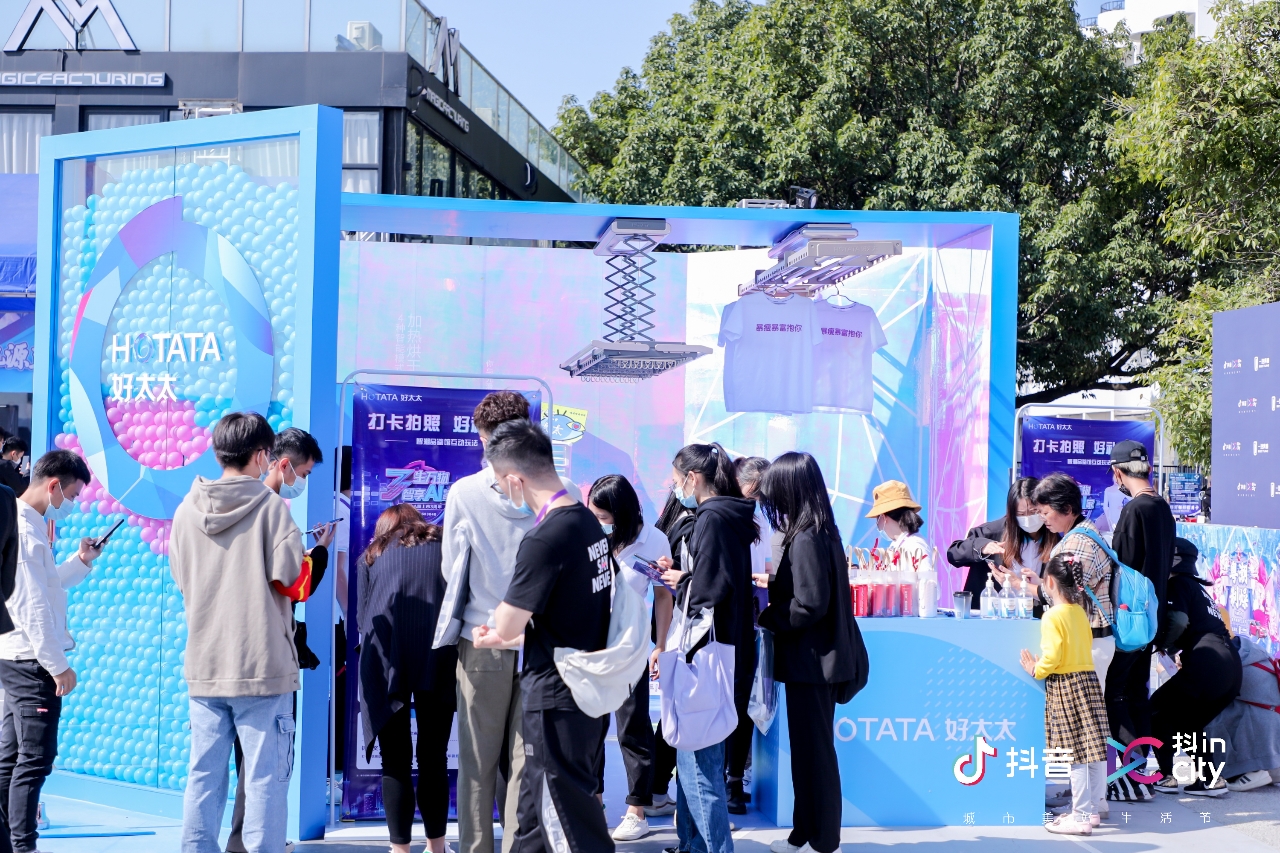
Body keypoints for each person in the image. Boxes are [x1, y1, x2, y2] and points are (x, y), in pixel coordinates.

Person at [170, 412, 326, 853]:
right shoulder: (272, 509)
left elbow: (181, 580)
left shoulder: (185, 511)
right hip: (262, 666)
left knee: (203, 780)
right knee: (264, 783)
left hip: (205, 664)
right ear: (261, 456)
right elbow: (293, 583)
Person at [439, 391, 576, 853]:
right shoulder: (563, 491)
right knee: (527, 763)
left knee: (476, 763)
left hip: (482, 638)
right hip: (541, 642)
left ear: (486, 440)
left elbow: (452, 569)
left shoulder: (464, 492)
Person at [471, 418, 614, 853]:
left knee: (568, 825)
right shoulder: (587, 523)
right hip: (582, 689)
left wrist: (495, 629)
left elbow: (508, 623)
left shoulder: (544, 539)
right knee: (533, 822)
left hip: (555, 698)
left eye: (499, 483)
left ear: (515, 480)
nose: (502, 491)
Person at [226, 427, 333, 853]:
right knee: (266, 764)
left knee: (221, 769)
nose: (301, 482)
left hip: (220, 655)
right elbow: (297, 586)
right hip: (266, 655)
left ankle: (241, 842)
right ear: (279, 463)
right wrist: (319, 552)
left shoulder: (212, 507)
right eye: (303, 473)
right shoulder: (273, 511)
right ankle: (254, 843)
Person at [757, 452, 865, 853]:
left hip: (812, 663)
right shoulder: (822, 531)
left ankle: (822, 839)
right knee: (809, 752)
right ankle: (805, 833)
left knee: (813, 754)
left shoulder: (805, 537)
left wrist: (768, 616)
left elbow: (809, 604)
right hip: (818, 661)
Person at [660, 442, 758, 853]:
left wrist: (681, 580)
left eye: (675, 479)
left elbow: (709, 590)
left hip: (705, 650)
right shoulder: (727, 515)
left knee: (699, 763)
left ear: (692, 478)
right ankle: (692, 845)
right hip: (721, 648)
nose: (673, 487)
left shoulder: (712, 517)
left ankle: (713, 847)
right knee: (692, 756)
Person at [0, 450, 98, 853]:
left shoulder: (27, 523)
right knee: (34, 760)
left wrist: (80, 561)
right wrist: (57, 664)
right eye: (71, 495)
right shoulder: (26, 528)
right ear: (53, 485)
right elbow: (31, 604)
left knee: (11, 759)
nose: (71, 504)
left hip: (16, 656)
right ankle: (23, 846)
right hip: (31, 661)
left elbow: (46, 586)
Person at [357, 504, 457, 853]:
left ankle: (399, 850)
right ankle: (437, 847)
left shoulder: (372, 555)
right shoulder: (444, 545)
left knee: (395, 759)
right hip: (438, 653)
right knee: (434, 756)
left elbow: (363, 619)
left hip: (385, 658)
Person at [586, 474, 674, 841]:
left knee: (632, 727)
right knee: (590, 727)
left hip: (631, 644)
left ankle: (637, 810)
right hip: (592, 643)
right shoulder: (589, 536)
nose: (598, 522)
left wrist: (660, 644)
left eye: (604, 517)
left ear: (621, 513)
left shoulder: (654, 540)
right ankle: (594, 803)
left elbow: (664, 596)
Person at [1019, 553, 1110, 836]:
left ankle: (1079, 817)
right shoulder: (1080, 612)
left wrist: (1036, 669)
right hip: (1088, 681)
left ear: (1049, 582)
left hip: (1066, 685)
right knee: (1092, 752)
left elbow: (1053, 656)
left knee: (1076, 756)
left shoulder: (1052, 616)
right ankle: (1092, 810)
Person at [1104, 441, 1175, 790]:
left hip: (1130, 619)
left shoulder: (1134, 510)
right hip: (1152, 617)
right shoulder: (1163, 508)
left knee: (1115, 692)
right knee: (1137, 692)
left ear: (1118, 473)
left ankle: (1132, 770)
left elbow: (1122, 566)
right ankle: (1144, 769)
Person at [1151, 537, 1242, 797]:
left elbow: (1178, 620)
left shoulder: (1178, 583)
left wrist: (1163, 646)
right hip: (1231, 668)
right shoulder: (1199, 589)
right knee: (1188, 723)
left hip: (1207, 663)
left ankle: (1165, 776)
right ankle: (1211, 780)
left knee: (1156, 710)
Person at [1032, 475, 1116, 701]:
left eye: (1045, 512)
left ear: (1067, 509)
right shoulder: (1081, 533)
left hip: (1091, 640)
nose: (1042, 518)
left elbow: (1064, 593)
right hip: (1087, 639)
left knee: (1083, 712)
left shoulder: (1078, 542)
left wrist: (1026, 587)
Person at [647, 492, 693, 817]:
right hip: (683, 629)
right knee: (680, 716)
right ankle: (665, 793)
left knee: (673, 713)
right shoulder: (689, 526)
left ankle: (656, 789)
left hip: (672, 630)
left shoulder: (667, 527)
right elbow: (668, 590)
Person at [948, 478, 1058, 599]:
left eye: (1034, 512)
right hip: (991, 606)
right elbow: (954, 554)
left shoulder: (1056, 538)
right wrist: (981, 547)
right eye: (1021, 514)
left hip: (1032, 608)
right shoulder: (991, 532)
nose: (1028, 518)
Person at [866, 481, 932, 574]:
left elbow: (927, 581)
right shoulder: (897, 544)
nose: (877, 523)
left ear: (883, 517)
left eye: (877, 518)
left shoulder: (915, 545)